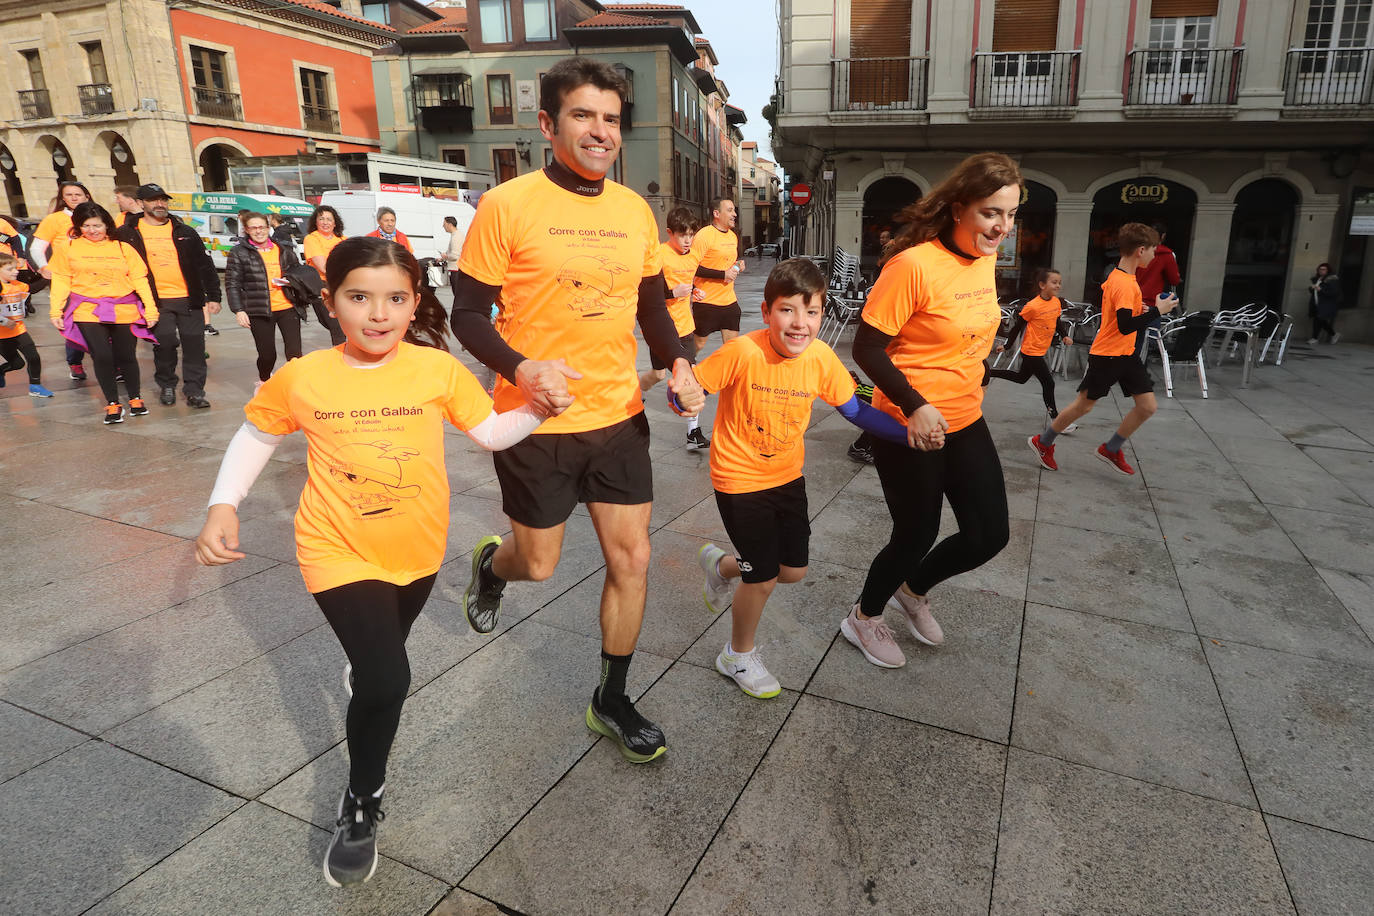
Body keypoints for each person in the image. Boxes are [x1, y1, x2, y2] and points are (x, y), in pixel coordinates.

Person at [195, 236, 545, 888]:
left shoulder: (436, 370)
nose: (378, 314)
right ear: (330, 304)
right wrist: (224, 505)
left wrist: (539, 409)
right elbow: (257, 433)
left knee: (379, 659)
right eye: (360, 297)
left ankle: (369, 667)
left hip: (416, 547)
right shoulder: (304, 376)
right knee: (388, 680)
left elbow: (489, 433)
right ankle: (362, 802)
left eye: (395, 299)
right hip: (335, 546)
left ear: (415, 304)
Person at [450, 56, 705, 764]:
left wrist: (679, 361)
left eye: (611, 119)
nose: (600, 131)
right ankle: (491, 570)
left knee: (634, 557)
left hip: (617, 416)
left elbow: (652, 306)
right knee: (538, 563)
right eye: (583, 115)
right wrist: (521, 368)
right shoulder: (508, 205)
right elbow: (466, 315)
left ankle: (611, 698)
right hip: (536, 424)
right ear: (548, 124)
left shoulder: (632, 210)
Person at [695, 258, 907, 696]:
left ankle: (721, 565)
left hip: (787, 476)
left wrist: (909, 437)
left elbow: (854, 410)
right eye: (788, 310)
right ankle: (736, 655)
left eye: (811, 312)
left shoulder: (821, 358)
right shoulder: (742, 351)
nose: (800, 324)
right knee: (764, 576)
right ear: (767, 312)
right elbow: (692, 392)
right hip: (738, 479)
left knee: (792, 570)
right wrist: (683, 398)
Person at [842, 152, 1019, 669]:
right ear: (961, 208)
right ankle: (863, 616)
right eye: (992, 213)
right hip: (909, 426)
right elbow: (867, 349)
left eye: (1010, 215)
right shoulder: (913, 265)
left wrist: (975, 365)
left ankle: (913, 590)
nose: (1002, 226)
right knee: (915, 532)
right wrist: (915, 404)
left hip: (966, 417)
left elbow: (966, 328)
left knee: (989, 535)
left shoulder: (984, 260)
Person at [1029, 222, 1179, 477]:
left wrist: (1141, 309)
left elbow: (1123, 318)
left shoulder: (1126, 279)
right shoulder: (1124, 283)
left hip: (1125, 353)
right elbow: (1124, 326)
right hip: (1109, 354)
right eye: (1154, 250)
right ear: (1141, 250)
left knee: (1147, 406)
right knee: (1083, 406)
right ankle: (1042, 442)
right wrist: (1156, 311)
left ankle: (1111, 449)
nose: (1155, 255)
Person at [47, 201, 158, 424]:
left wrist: (151, 309)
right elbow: (61, 279)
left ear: (107, 225)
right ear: (78, 227)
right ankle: (112, 403)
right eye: (86, 226)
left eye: (97, 225)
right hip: (88, 310)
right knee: (102, 355)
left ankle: (135, 398)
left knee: (126, 356)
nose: (92, 231)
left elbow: (139, 279)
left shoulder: (122, 247)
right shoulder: (68, 248)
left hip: (123, 307)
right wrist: (55, 310)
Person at [115, 183, 221, 409]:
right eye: (154, 200)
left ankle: (194, 391)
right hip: (155, 301)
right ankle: (167, 385)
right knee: (164, 344)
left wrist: (214, 295)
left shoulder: (184, 230)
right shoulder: (126, 233)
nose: (160, 204)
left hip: (189, 299)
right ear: (141, 203)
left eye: (163, 200)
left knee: (194, 346)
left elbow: (204, 265)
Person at [640, 206, 709, 447]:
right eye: (683, 235)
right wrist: (672, 292)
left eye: (691, 234)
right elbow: (645, 292)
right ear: (669, 232)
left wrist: (694, 291)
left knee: (691, 377)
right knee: (658, 375)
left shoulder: (693, 255)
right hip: (663, 330)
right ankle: (634, 394)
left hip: (685, 327)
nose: (688, 240)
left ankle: (693, 434)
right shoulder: (658, 254)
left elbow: (689, 282)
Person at [225, 212, 305, 391]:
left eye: (262, 227)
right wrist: (239, 310)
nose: (258, 231)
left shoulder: (283, 249)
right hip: (259, 310)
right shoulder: (239, 253)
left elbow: (298, 273)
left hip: (287, 307)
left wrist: (292, 282)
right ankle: (264, 381)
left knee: (294, 353)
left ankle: (296, 385)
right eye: (253, 228)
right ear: (246, 230)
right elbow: (232, 283)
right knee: (267, 354)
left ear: (268, 228)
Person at [989, 267, 1072, 420]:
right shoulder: (1033, 306)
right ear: (1042, 285)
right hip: (1030, 351)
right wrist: (1007, 346)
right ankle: (1055, 418)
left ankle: (988, 372)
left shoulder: (1056, 302)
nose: (1058, 286)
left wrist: (1065, 335)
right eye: (1054, 282)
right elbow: (1017, 327)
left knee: (1021, 378)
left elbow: (1057, 321)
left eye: (1059, 283)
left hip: (1041, 350)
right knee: (1049, 383)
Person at [30, 181, 93, 380]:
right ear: (62, 199)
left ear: (87, 196)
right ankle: (75, 362)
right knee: (73, 323)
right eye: (69, 195)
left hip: (95, 278)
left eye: (78, 194)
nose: (74, 198)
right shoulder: (55, 219)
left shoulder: (95, 216)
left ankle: (114, 364)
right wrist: (44, 267)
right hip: (66, 279)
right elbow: (36, 247)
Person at [691, 196, 745, 355]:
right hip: (707, 302)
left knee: (732, 349)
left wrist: (737, 266)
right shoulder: (704, 235)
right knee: (698, 345)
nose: (734, 214)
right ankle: (683, 367)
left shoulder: (733, 236)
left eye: (734, 210)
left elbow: (728, 264)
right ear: (716, 213)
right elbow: (691, 267)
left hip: (729, 302)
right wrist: (723, 275)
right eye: (729, 210)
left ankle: (728, 379)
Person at [0, 253, 53, 396]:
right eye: (10, 269)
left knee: (34, 357)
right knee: (17, 364)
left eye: (16, 268)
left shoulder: (17, 285)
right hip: (2, 335)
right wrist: (4, 321)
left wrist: (48, 278)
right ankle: (1, 371)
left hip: (18, 330)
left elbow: (32, 289)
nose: (16, 271)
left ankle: (35, 386)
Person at [1133, 221, 1180, 360]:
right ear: (1163, 236)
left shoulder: (1136, 251)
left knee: (1132, 339)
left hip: (1134, 299)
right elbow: (1174, 280)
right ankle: (1138, 371)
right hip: (1152, 303)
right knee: (1148, 342)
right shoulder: (1166, 255)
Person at [304, 205, 346, 282]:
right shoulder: (311, 238)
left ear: (335, 223)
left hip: (341, 280)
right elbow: (323, 267)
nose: (325, 223)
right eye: (321, 219)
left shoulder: (343, 239)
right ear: (316, 222)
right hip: (321, 282)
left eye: (329, 219)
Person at [1308, 262, 1342, 345]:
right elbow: (1313, 291)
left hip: (1326, 304)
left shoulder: (1332, 279)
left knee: (1319, 319)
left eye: (1323, 269)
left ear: (1327, 270)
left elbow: (1333, 292)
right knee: (1320, 320)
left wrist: (1320, 290)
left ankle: (1315, 338)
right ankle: (1333, 334)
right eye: (1320, 269)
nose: (1321, 271)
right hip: (1316, 303)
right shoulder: (1318, 279)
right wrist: (1312, 288)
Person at [437, 215, 464, 297]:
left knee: (457, 294)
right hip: (457, 268)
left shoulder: (456, 236)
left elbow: (455, 255)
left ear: (449, 224)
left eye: (444, 224)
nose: (443, 226)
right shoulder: (456, 235)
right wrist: (442, 259)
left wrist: (445, 256)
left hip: (456, 269)